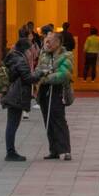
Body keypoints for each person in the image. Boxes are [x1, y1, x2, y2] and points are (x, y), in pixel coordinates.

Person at [33, 29, 73, 160]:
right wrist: (40, 75)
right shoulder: (43, 54)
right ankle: (54, 150)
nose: (47, 43)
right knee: (48, 119)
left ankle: (66, 150)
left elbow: (64, 75)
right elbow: (38, 69)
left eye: (50, 41)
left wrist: (46, 77)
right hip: (44, 91)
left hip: (57, 91)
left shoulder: (66, 56)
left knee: (59, 119)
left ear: (58, 43)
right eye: (46, 41)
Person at [0, 29, 34, 161]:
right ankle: (10, 152)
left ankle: (10, 151)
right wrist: (41, 74)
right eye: (30, 49)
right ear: (25, 50)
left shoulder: (12, 57)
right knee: (13, 124)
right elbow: (28, 78)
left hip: (11, 94)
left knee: (11, 123)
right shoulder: (20, 61)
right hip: (16, 96)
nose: (32, 52)